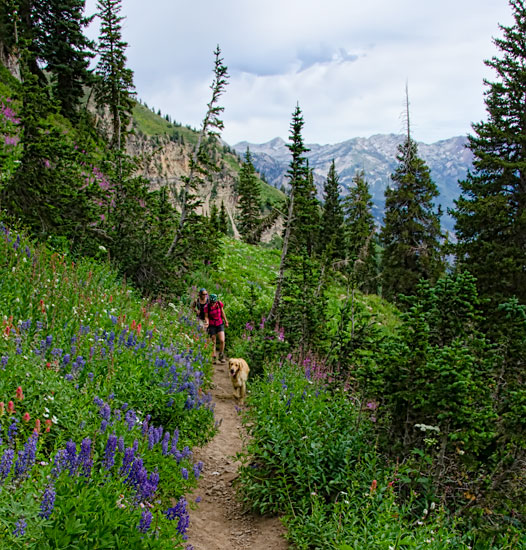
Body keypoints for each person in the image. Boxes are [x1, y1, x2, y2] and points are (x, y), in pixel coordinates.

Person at [204, 293, 229, 362]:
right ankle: (213, 356)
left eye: (213, 302)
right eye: (211, 302)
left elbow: (222, 313)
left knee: (222, 340)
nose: (212, 303)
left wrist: (226, 321)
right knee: (213, 340)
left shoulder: (219, 304)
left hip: (219, 323)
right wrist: (207, 322)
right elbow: (206, 316)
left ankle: (221, 355)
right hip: (211, 324)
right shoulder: (207, 307)